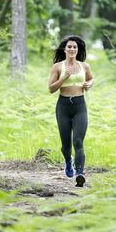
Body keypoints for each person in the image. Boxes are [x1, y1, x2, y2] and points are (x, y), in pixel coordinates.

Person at [47, 35, 94, 187]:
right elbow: (51, 89)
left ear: (78, 49)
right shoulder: (57, 67)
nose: (72, 49)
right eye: (69, 47)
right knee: (66, 145)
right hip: (63, 106)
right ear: (64, 49)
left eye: (75, 47)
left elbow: (91, 79)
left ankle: (80, 174)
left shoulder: (84, 66)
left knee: (78, 141)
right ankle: (68, 161)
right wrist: (64, 77)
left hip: (80, 105)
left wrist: (89, 84)